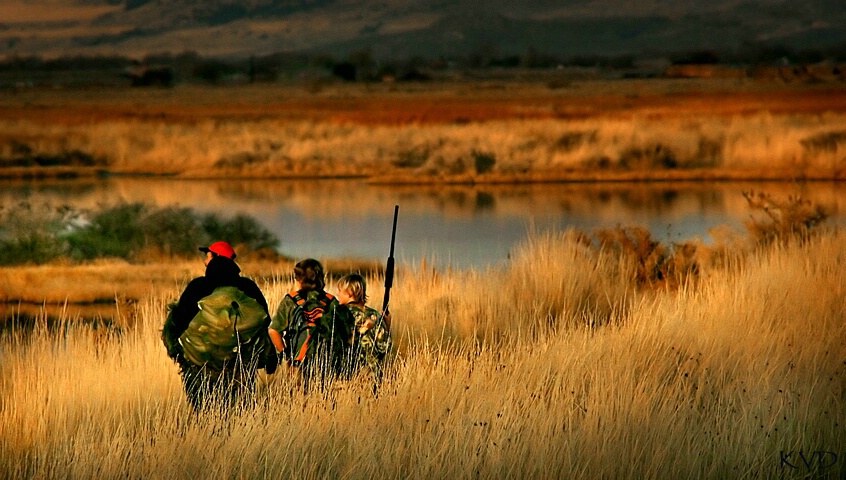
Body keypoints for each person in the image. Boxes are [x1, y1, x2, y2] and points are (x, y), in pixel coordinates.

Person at [162, 241, 277, 411]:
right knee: (240, 414)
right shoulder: (247, 287)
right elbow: (264, 321)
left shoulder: (198, 286)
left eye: (207, 256)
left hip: (200, 366)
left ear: (216, 258)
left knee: (205, 413)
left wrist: (179, 354)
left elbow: (178, 321)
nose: (204, 261)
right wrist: (267, 358)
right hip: (241, 366)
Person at [269, 258, 352, 391]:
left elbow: (273, 331)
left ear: (299, 279)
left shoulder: (290, 300)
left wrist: (286, 355)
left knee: (299, 399)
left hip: (298, 362)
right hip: (327, 362)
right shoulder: (331, 301)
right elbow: (346, 333)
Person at [336, 273, 392, 392]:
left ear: (349, 293)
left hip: (343, 379)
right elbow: (384, 348)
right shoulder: (374, 316)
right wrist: (387, 326)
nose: (337, 294)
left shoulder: (337, 315)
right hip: (372, 379)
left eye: (340, 291)